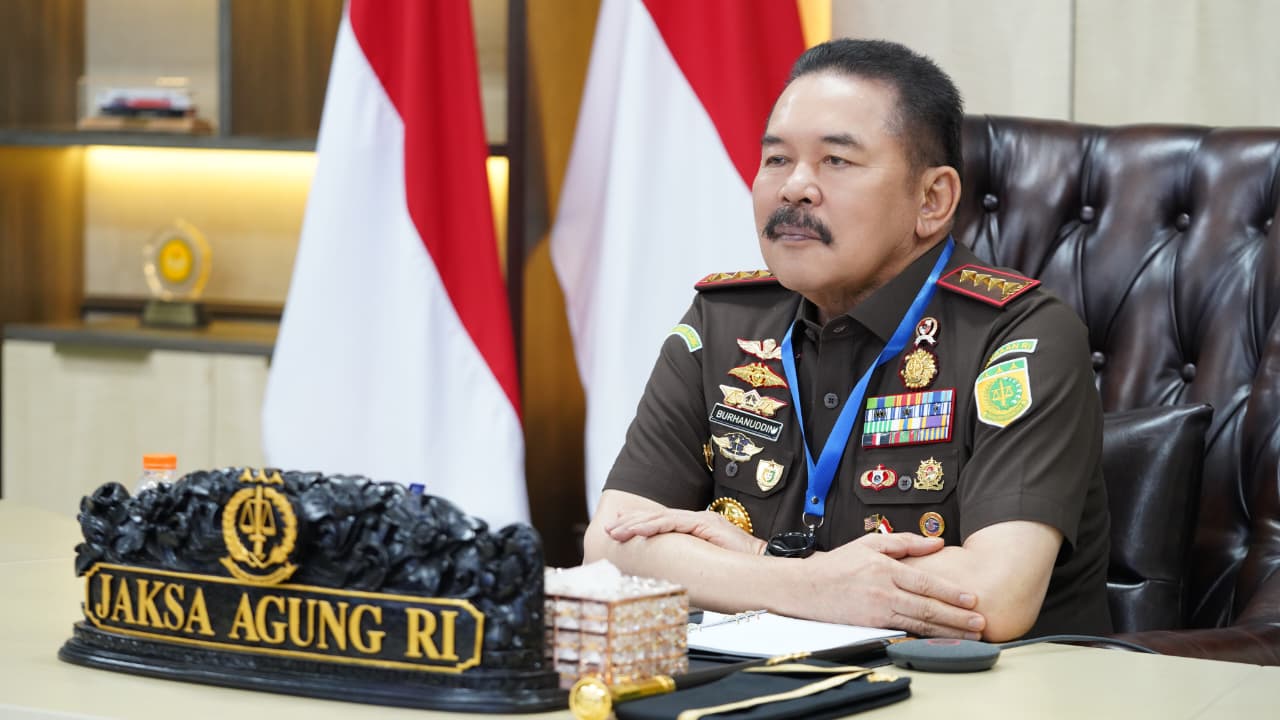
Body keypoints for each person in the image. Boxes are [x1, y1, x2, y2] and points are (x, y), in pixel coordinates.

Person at [581, 38, 1111, 642]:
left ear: (932, 199)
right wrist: (805, 580)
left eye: (836, 160)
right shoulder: (723, 321)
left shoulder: (1020, 333)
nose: (794, 188)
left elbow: (995, 594)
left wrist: (749, 564)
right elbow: (611, 546)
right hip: (766, 678)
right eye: (776, 159)